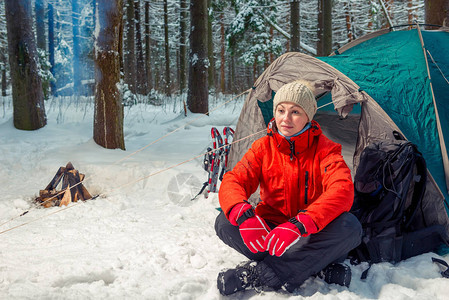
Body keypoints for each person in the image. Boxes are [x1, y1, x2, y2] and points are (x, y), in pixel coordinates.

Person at [215, 79, 362, 295]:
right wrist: (243, 215)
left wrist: (300, 224)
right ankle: (313, 264)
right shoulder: (263, 147)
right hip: (272, 231)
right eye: (281, 110)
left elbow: (342, 190)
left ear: (308, 117)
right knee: (224, 222)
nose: (285, 118)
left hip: (310, 232)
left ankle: (260, 274)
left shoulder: (326, 150)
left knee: (350, 227)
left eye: (295, 112)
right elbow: (235, 180)